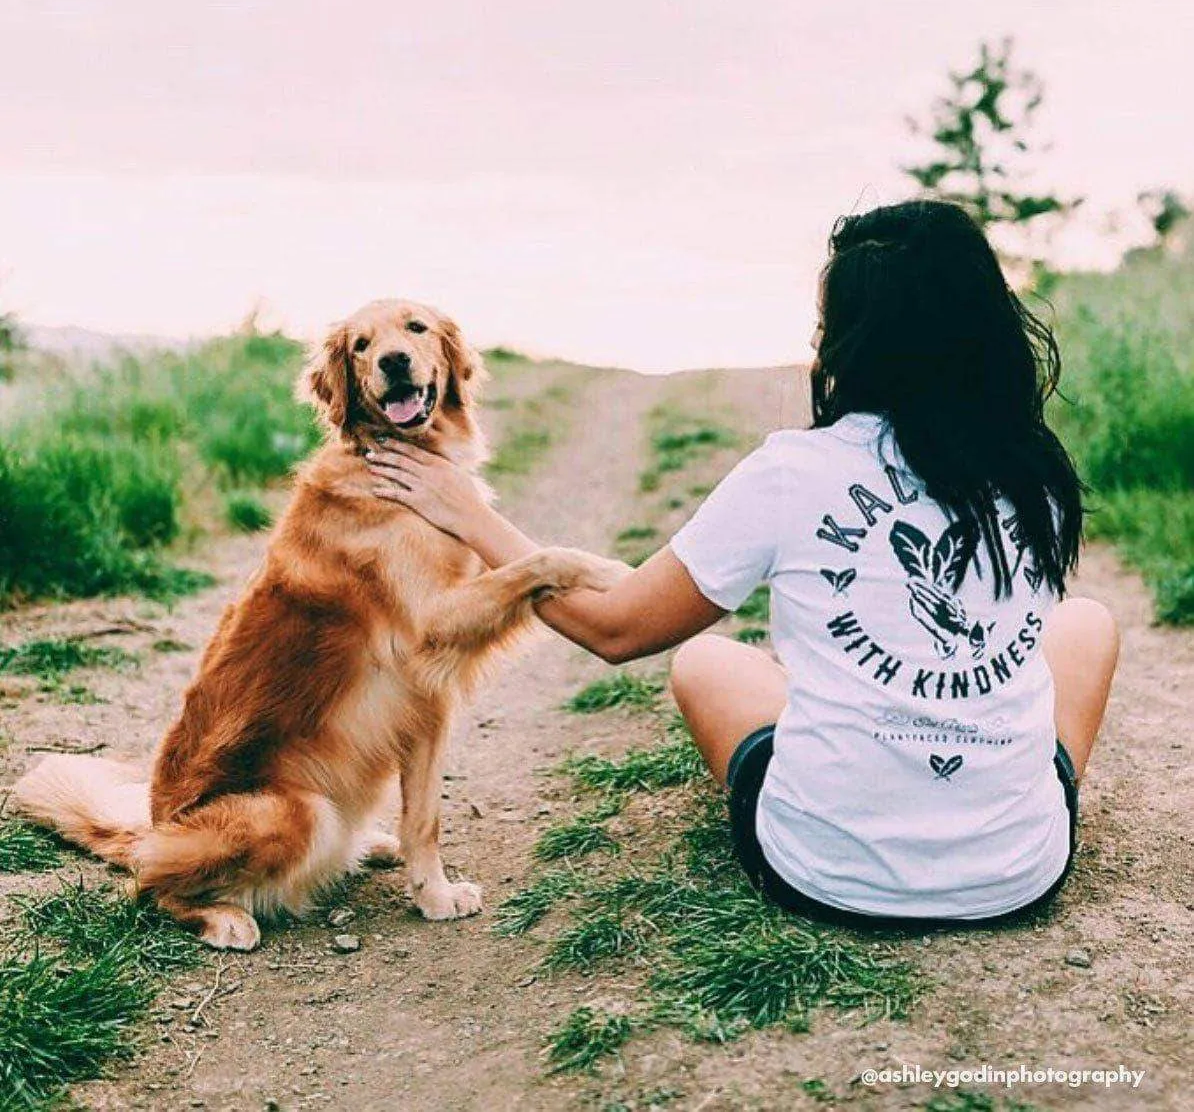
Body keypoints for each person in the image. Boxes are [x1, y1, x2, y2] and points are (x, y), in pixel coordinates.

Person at [366, 200, 1119, 929]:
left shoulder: (794, 470)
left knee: (705, 660)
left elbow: (617, 630)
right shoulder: (1032, 472)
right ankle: (987, 819)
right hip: (1020, 875)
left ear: (851, 343)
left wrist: (468, 511)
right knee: (1086, 625)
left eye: (826, 326)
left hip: (824, 874)